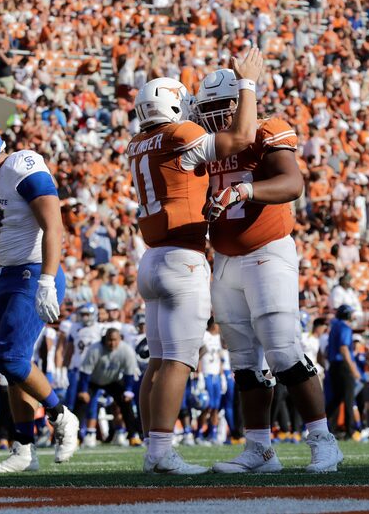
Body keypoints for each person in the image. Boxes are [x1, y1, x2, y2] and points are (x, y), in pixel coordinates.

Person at [195, 67, 341, 474]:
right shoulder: (209, 145)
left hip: (267, 250)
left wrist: (246, 189)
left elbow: (292, 183)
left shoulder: (265, 130)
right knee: (243, 360)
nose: (210, 118)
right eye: (204, 109)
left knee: (283, 350)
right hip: (224, 258)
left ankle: (323, 440)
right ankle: (259, 449)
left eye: (218, 109)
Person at [129, 48, 264, 475]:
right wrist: (247, 84)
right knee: (179, 360)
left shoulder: (138, 143)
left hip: (151, 260)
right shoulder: (178, 135)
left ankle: (153, 449)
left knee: (157, 361)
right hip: (181, 259)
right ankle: (162, 452)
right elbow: (240, 139)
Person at [0, 120, 78, 473]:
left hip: (33, 271)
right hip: (7, 274)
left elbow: (54, 225)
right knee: (11, 368)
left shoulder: (24, 164)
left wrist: (48, 280)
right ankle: (24, 449)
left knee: (9, 357)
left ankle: (61, 415)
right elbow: (0, 237)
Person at [77, 328, 142, 446]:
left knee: (126, 404)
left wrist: (128, 390)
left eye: (115, 340)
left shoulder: (126, 350)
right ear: (104, 339)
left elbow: (129, 373)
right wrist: (83, 390)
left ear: (120, 339)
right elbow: (85, 372)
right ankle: (75, 438)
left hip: (113, 381)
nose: (112, 343)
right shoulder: (95, 349)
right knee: (80, 404)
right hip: (93, 381)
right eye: (109, 340)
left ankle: (133, 436)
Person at [325, 305, 361, 439]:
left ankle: (324, 426)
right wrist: (354, 369)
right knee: (348, 399)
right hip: (343, 366)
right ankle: (350, 431)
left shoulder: (334, 327)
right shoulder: (345, 327)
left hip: (334, 365)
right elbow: (344, 349)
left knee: (336, 398)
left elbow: (327, 350)